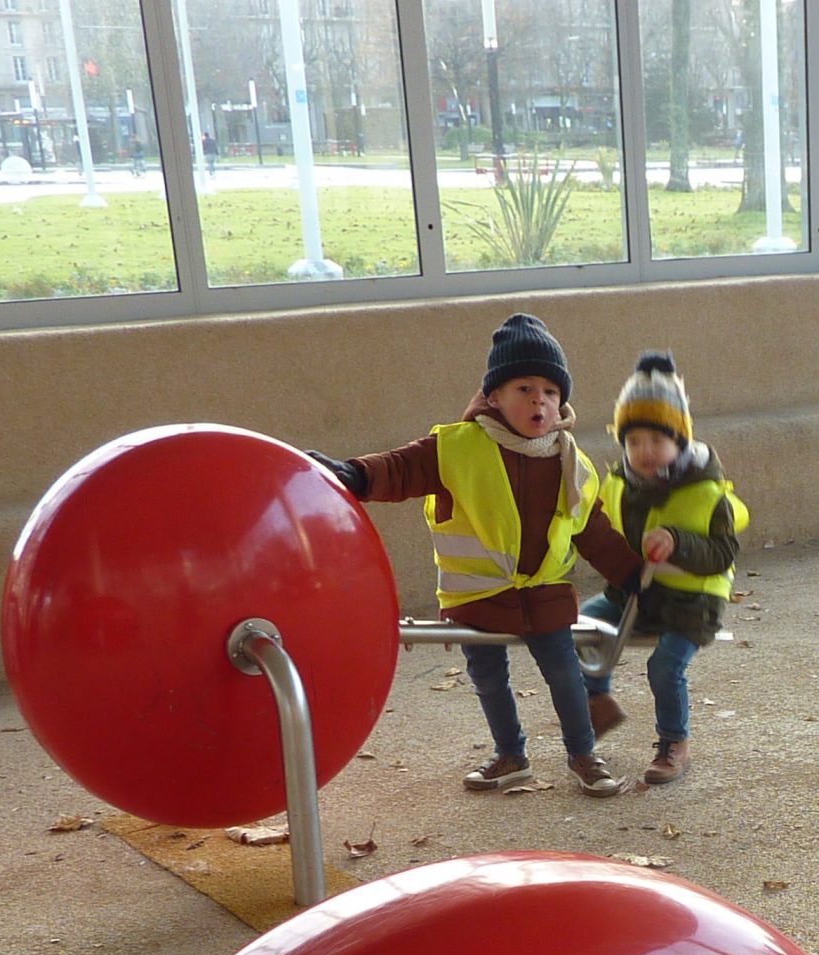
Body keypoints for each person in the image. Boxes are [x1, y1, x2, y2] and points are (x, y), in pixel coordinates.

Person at [312, 313, 642, 796]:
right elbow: (400, 468)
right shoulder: (457, 446)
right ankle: (510, 754)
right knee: (489, 679)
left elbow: (593, 530)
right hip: (479, 597)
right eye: (524, 388)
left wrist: (633, 574)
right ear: (493, 397)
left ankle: (584, 753)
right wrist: (355, 475)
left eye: (550, 391)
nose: (539, 400)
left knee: (566, 677)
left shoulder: (573, 463)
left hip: (546, 595)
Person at [578, 351, 746, 787]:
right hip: (632, 593)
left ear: (681, 439)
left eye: (657, 440)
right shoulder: (618, 483)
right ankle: (597, 700)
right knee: (582, 625)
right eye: (634, 442)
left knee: (664, 666)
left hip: (692, 602)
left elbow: (724, 552)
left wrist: (678, 542)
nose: (645, 452)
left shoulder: (707, 489)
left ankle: (674, 743)